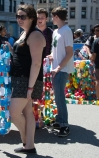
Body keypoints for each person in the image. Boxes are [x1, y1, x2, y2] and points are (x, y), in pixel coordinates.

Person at [5, 4, 46, 154]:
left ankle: (25, 139)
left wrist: (30, 88)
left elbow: (36, 63)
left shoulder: (35, 34)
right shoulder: (25, 33)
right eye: (17, 16)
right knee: (28, 113)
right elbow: (23, 55)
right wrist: (11, 49)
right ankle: (29, 145)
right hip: (20, 78)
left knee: (14, 113)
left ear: (31, 18)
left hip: (27, 80)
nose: (19, 19)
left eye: (23, 16)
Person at [47, 7, 74, 137]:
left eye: (53, 16)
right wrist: (51, 56)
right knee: (57, 97)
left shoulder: (67, 31)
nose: (52, 19)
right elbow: (56, 50)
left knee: (60, 97)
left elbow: (70, 53)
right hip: (56, 68)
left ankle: (65, 125)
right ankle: (59, 120)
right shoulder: (56, 31)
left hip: (61, 69)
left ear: (57, 17)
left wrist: (58, 67)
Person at [90, 27, 99, 100]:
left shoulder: (96, 41)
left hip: (98, 64)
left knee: (98, 81)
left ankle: (98, 97)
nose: (95, 32)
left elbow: (94, 54)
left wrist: (92, 59)